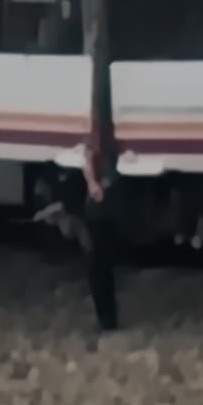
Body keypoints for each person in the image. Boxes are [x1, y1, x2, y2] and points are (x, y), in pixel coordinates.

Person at [81, 138, 119, 332]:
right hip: (101, 219)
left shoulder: (101, 177)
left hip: (99, 220)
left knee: (98, 270)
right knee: (102, 272)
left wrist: (88, 168)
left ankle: (106, 320)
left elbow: (95, 190)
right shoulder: (108, 164)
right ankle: (108, 318)